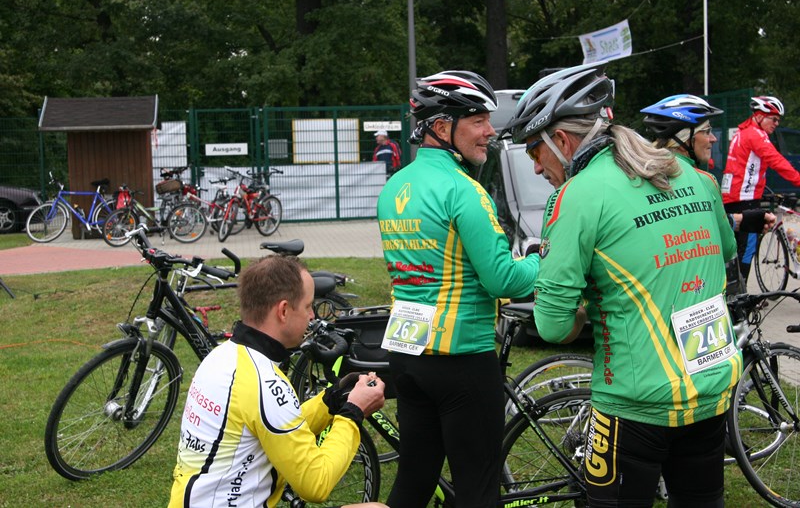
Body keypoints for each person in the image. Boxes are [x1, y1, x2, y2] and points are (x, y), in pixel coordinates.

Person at [503, 62, 739, 507]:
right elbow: (725, 249)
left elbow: (552, 325)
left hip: (633, 401)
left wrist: (583, 309)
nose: (535, 167)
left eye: (534, 150)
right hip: (711, 388)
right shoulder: (695, 176)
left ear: (562, 141)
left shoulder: (576, 195)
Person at [376, 70, 540, 507]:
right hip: (462, 357)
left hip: (407, 354)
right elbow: (503, 279)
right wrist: (543, 261)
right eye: (478, 120)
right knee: (478, 490)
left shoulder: (393, 187)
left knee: (413, 481)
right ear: (441, 127)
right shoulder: (464, 191)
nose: (490, 131)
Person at [168, 255, 387, 508]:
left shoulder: (224, 356)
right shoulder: (264, 381)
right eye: (307, 306)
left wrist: (331, 400)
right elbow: (316, 483)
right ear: (283, 311)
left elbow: (278, 426)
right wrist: (352, 413)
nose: (312, 316)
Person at [641, 94, 777, 295]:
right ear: (685, 138)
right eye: (707, 131)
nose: (713, 138)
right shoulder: (704, 181)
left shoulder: (640, 174)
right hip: (696, 292)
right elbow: (727, 249)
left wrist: (742, 220)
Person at [721, 95, 800, 283]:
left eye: (778, 120)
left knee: (733, 249)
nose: (776, 124)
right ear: (759, 116)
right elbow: (776, 161)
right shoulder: (756, 134)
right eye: (774, 119)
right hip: (745, 199)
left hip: (733, 198)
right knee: (747, 249)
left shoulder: (742, 132)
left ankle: (731, 289)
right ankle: (740, 294)